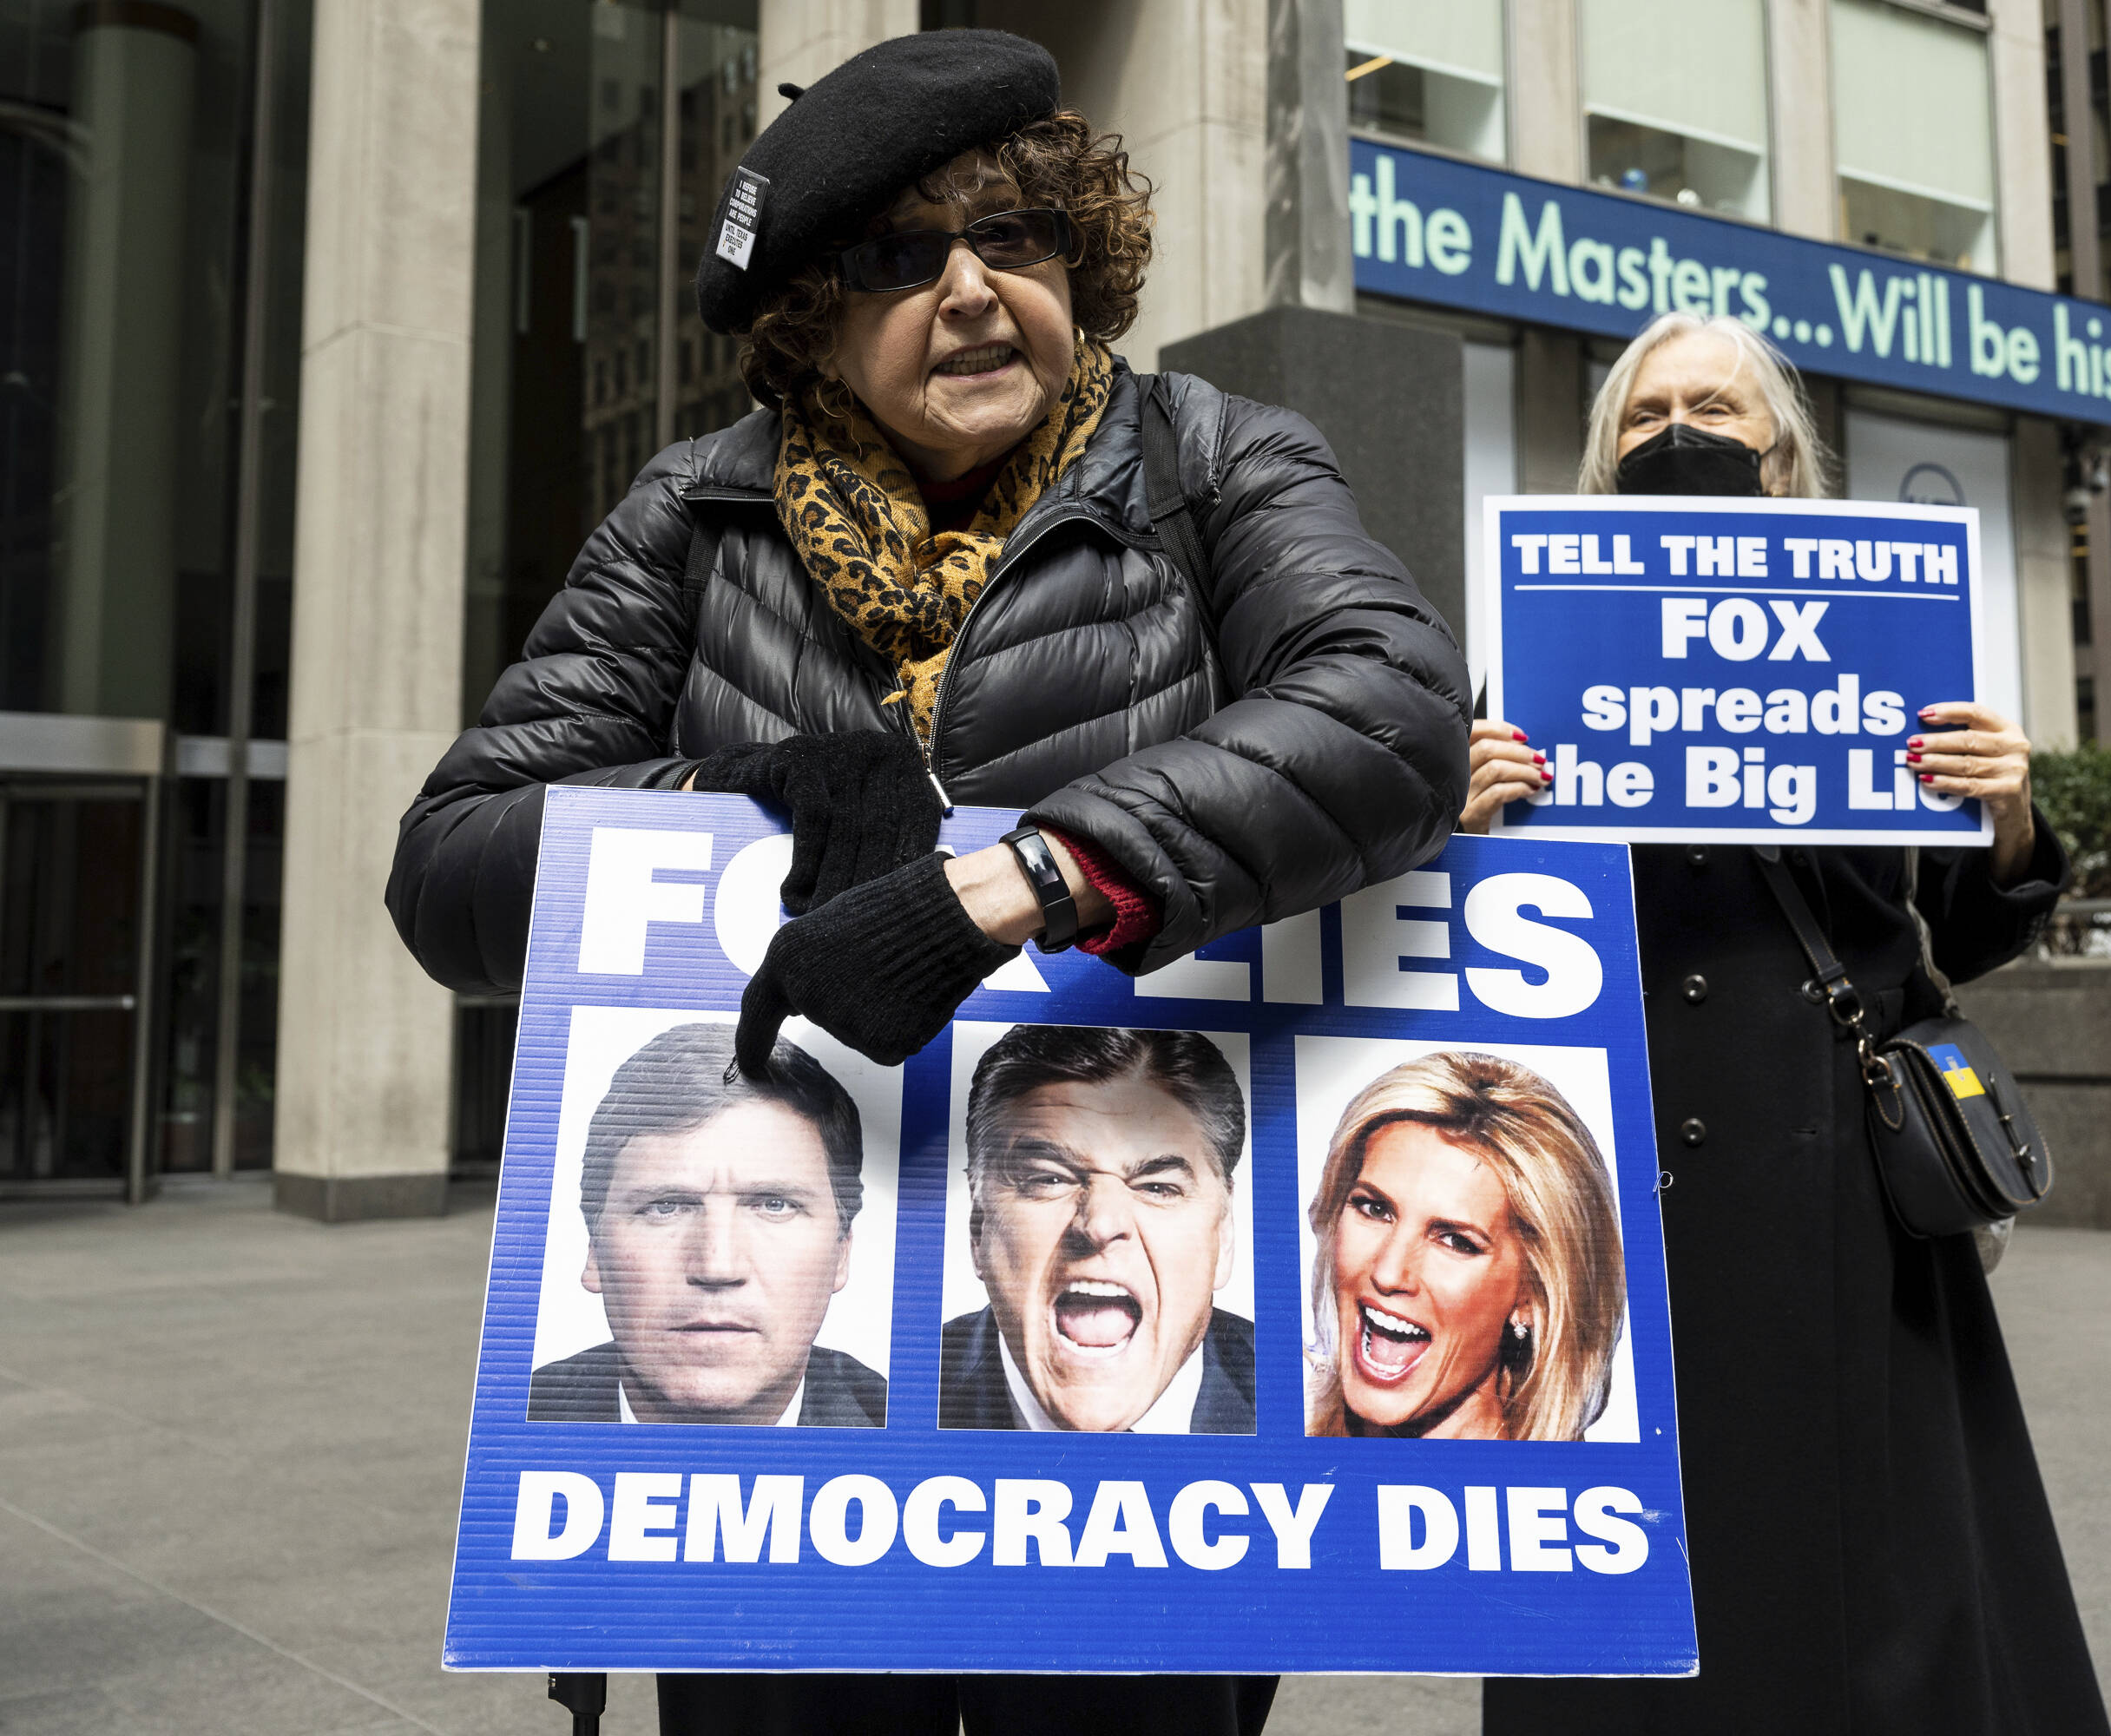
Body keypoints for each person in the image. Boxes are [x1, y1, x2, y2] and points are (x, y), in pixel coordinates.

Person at [387, 30, 1461, 1736]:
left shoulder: (1214, 461)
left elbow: (1390, 711)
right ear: (814, 312)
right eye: (903, 259)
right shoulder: (692, 515)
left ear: (1078, 262)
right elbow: (449, 864)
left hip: (1111, 1450)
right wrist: (732, 792)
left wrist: (1033, 873)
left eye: (1014, 241)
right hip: (788, 1451)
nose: (972, 293)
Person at [1470, 310, 2109, 1733]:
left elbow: (1979, 920)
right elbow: (1462, 942)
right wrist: (1462, 825)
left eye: (1713, 409)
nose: (1678, 433)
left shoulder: (1883, 636)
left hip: (1831, 1172)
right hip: (1608, 1177)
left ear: (1782, 460)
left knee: (1870, 1562)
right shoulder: (1535, 650)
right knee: (1627, 1556)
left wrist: (2006, 810)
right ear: (1600, 456)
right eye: (1645, 415)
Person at [528, 1023, 885, 1428]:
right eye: (665, 1207)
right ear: (594, 1250)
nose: (717, 1267)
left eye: (774, 1204)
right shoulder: (511, 1422)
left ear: (841, 1254)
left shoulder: (913, 1434)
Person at [941, 1024, 1253, 1434]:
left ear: (1224, 1235)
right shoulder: (891, 1396)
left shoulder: (1313, 1404)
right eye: (1049, 1179)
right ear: (979, 1226)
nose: (1101, 1225)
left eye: (1157, 1187)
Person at [1302, 1050, 1625, 1442]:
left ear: (1533, 1296)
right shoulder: (1268, 1453)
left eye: (1455, 1241)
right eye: (1375, 1209)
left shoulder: (1566, 1498)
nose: (1387, 1273)